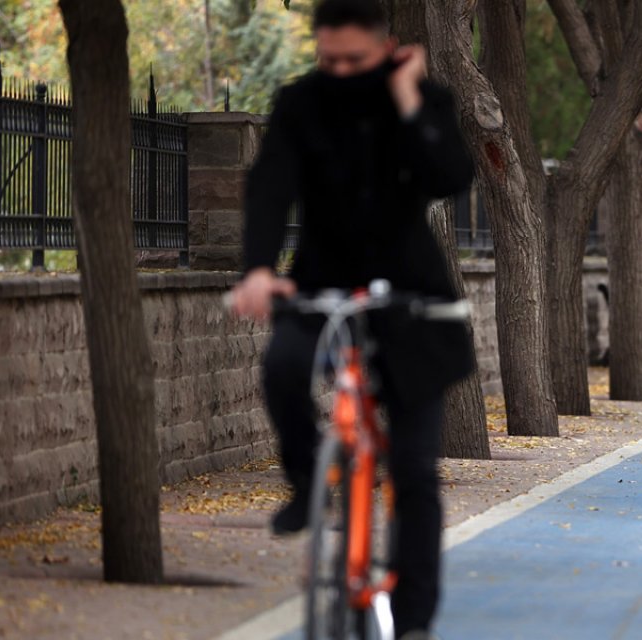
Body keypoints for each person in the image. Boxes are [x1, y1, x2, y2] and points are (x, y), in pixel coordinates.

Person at [226, 1, 475, 636]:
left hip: (412, 298)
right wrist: (258, 267)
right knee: (282, 369)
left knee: (415, 471)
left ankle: (413, 618)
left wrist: (406, 95)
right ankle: (309, 480)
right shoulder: (300, 103)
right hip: (318, 284)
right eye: (328, 59)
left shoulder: (422, 97)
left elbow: (449, 174)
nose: (339, 71)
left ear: (385, 47)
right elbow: (270, 184)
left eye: (355, 61)